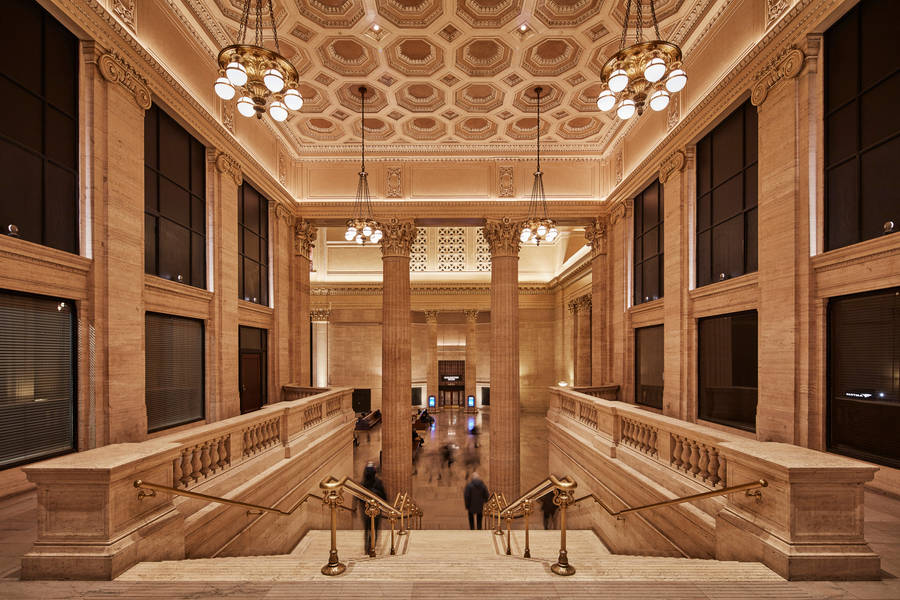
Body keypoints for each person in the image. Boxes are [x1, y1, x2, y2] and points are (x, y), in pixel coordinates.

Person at [361, 461, 387, 556]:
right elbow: (384, 497)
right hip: (376, 511)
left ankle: (366, 548)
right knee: (374, 529)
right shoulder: (378, 483)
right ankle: (372, 548)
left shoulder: (362, 484)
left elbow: (358, 497)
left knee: (367, 529)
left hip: (365, 511)